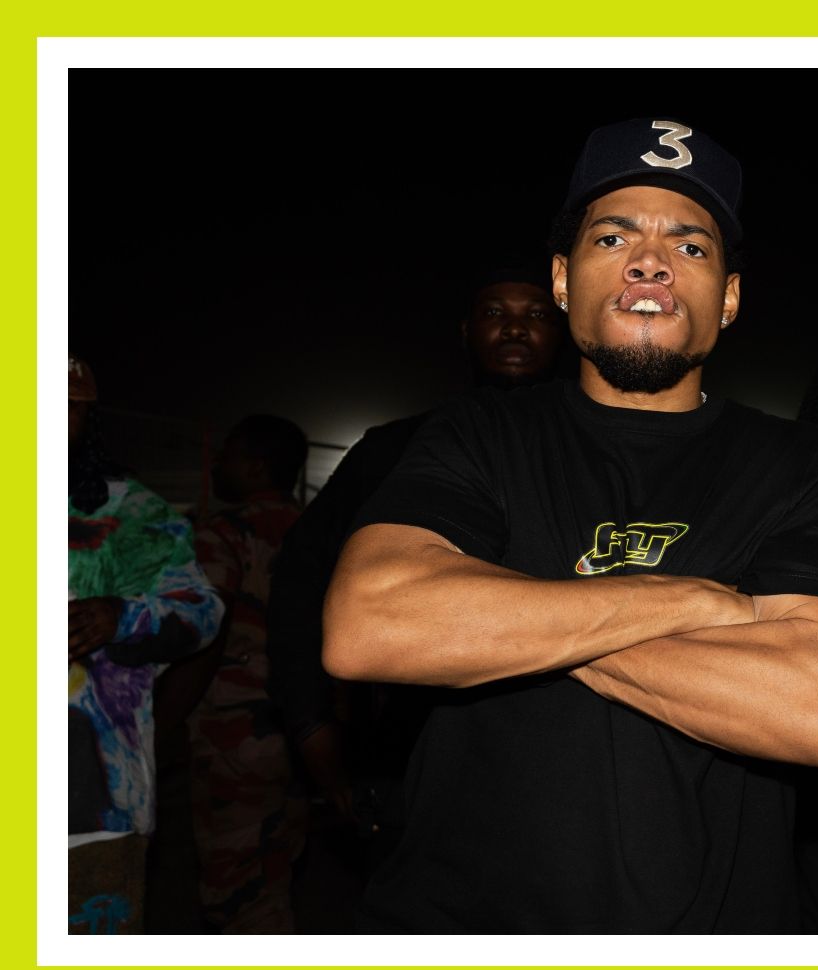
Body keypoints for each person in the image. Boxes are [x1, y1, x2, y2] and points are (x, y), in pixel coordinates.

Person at [321, 118, 818, 933]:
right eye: (613, 236)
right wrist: (692, 601)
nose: (650, 262)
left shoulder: (796, 464)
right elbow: (370, 623)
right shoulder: (478, 435)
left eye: (690, 245)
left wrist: (494, 618)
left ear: (729, 297)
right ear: (562, 279)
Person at [266, 262, 565, 874]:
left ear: (562, 333)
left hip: (565, 756)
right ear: (466, 331)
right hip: (412, 753)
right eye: (494, 313)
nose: (515, 329)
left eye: (537, 315)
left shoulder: (599, 452)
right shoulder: (393, 449)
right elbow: (301, 578)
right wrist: (310, 721)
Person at [69, 353, 225, 934]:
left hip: (87, 803)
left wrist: (121, 616)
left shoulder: (125, 509)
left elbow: (202, 611)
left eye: (66, 408)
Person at [162, 414, 310, 932]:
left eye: (226, 456)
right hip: (304, 729)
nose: (216, 466)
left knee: (237, 892)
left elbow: (204, 633)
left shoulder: (223, 533)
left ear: (255, 467)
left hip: (234, 733)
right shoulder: (319, 532)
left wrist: (166, 723)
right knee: (278, 870)